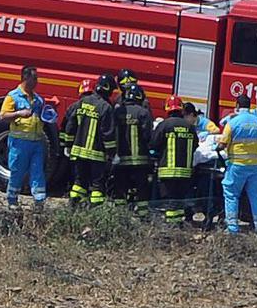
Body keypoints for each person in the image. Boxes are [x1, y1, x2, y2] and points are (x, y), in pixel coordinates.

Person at [217, 94, 257, 235]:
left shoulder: (233, 122)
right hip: (255, 167)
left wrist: (217, 145)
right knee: (256, 198)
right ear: (250, 105)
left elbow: (222, 144)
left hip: (237, 166)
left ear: (237, 106)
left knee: (231, 195)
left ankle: (233, 228)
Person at [64, 74, 117, 207]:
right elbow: (108, 134)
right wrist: (111, 154)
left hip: (78, 152)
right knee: (97, 187)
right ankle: (95, 212)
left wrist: (68, 145)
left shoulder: (82, 102)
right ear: (108, 89)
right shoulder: (106, 107)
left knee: (78, 183)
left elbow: (70, 126)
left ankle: (74, 208)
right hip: (96, 155)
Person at [0, 65, 46, 210]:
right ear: (26, 78)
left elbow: (42, 116)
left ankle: (39, 202)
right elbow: (3, 115)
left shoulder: (38, 99)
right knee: (17, 172)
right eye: (35, 78)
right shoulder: (13, 96)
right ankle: (12, 200)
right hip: (19, 143)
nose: (37, 81)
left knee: (38, 172)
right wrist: (19, 113)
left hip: (37, 142)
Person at [150, 95, 198, 225]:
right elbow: (195, 146)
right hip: (185, 173)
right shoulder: (190, 127)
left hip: (167, 172)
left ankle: (171, 227)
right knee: (179, 201)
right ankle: (178, 225)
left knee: (170, 202)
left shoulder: (164, 125)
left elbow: (154, 144)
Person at [113, 84, 153, 219]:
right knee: (142, 190)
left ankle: (119, 216)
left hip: (121, 161)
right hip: (140, 162)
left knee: (120, 189)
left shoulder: (118, 112)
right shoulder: (143, 113)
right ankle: (143, 217)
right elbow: (148, 136)